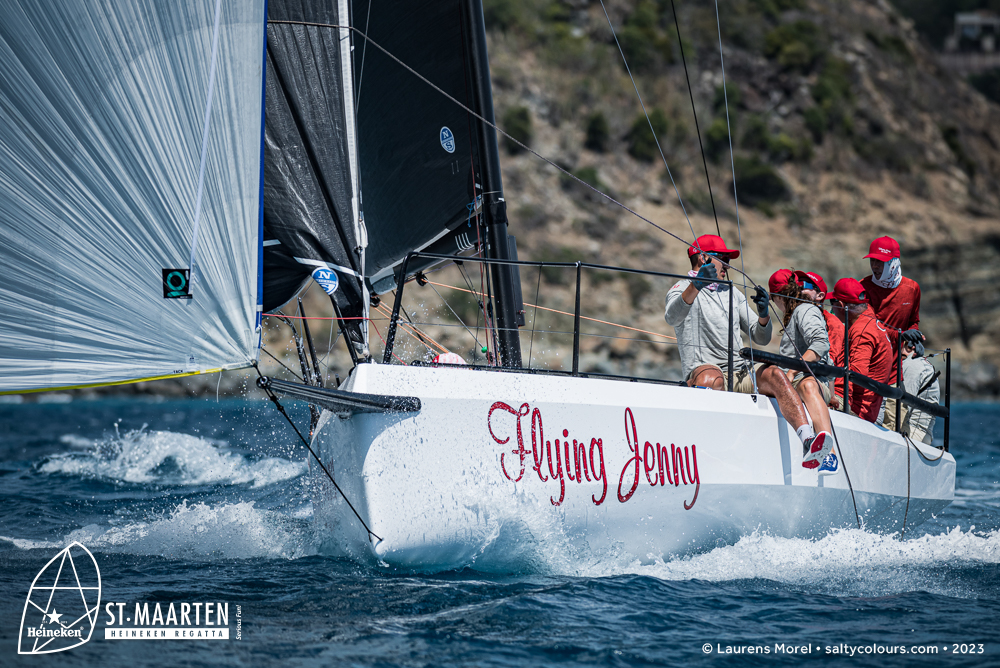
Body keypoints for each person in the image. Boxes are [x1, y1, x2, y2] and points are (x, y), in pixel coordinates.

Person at [665, 234, 832, 468]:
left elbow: (760, 337)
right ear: (702, 258)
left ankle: (807, 441)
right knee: (711, 379)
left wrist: (763, 314)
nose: (728, 265)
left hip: (739, 372)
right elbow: (672, 317)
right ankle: (708, 449)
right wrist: (697, 285)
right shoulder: (682, 288)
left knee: (775, 373)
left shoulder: (731, 292)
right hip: (705, 370)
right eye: (723, 258)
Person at [768, 270, 838, 474]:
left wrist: (790, 373)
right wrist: (833, 395)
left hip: (808, 383)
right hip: (806, 384)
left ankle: (830, 456)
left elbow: (820, 344)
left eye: (774, 300)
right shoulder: (797, 314)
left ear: (779, 297)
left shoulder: (804, 310)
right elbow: (831, 360)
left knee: (806, 385)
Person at [860, 236, 922, 430]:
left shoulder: (912, 289)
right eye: (873, 260)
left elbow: (914, 322)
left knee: (894, 428)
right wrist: (902, 335)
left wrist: (914, 337)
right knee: (864, 422)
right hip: (868, 368)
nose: (875, 266)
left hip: (896, 371)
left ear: (894, 263)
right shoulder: (863, 287)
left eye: (881, 261)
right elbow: (868, 326)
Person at [828, 278, 894, 423]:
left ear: (840, 305)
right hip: (871, 407)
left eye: (832, 303)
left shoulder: (861, 331)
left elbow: (857, 374)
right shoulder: (867, 316)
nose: (831, 309)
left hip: (859, 412)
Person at [900, 340, 940, 445]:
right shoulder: (921, 363)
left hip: (913, 432)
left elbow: (903, 407)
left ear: (910, 347)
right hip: (922, 433)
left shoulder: (912, 365)